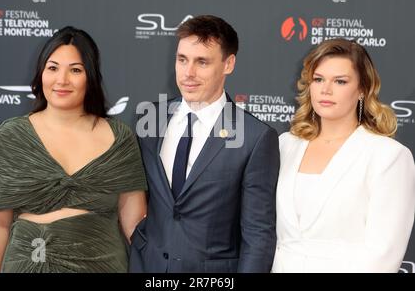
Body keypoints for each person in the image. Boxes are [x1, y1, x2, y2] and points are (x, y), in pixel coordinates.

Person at [0, 26, 147, 273]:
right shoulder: (10, 136)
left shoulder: (119, 138)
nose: (62, 80)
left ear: (90, 76)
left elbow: (135, 225)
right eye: (53, 68)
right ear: (41, 73)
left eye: (75, 70)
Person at [129, 15, 280, 273]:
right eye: (182, 60)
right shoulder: (150, 121)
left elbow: (258, 236)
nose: (188, 73)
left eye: (202, 62)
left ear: (228, 64)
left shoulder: (255, 137)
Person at [272, 38, 415, 273]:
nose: (325, 89)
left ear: (362, 89)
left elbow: (383, 256)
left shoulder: (388, 156)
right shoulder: (285, 145)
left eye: (340, 81)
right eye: (318, 79)